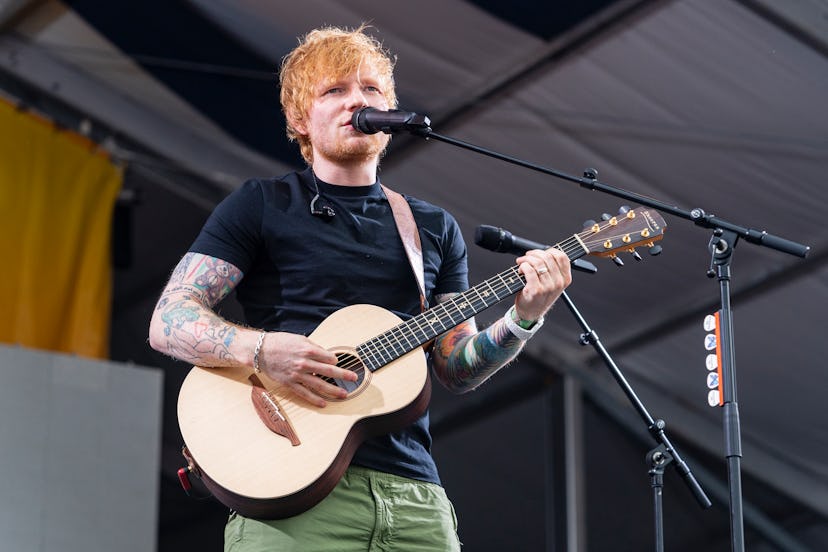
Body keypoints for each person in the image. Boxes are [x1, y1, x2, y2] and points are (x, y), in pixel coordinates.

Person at [148, 24, 571, 552]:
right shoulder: (262, 204)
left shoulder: (432, 227)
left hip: (416, 499)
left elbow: (456, 368)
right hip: (293, 494)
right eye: (335, 90)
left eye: (371, 90)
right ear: (301, 119)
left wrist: (523, 317)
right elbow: (168, 320)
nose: (358, 101)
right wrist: (261, 350)